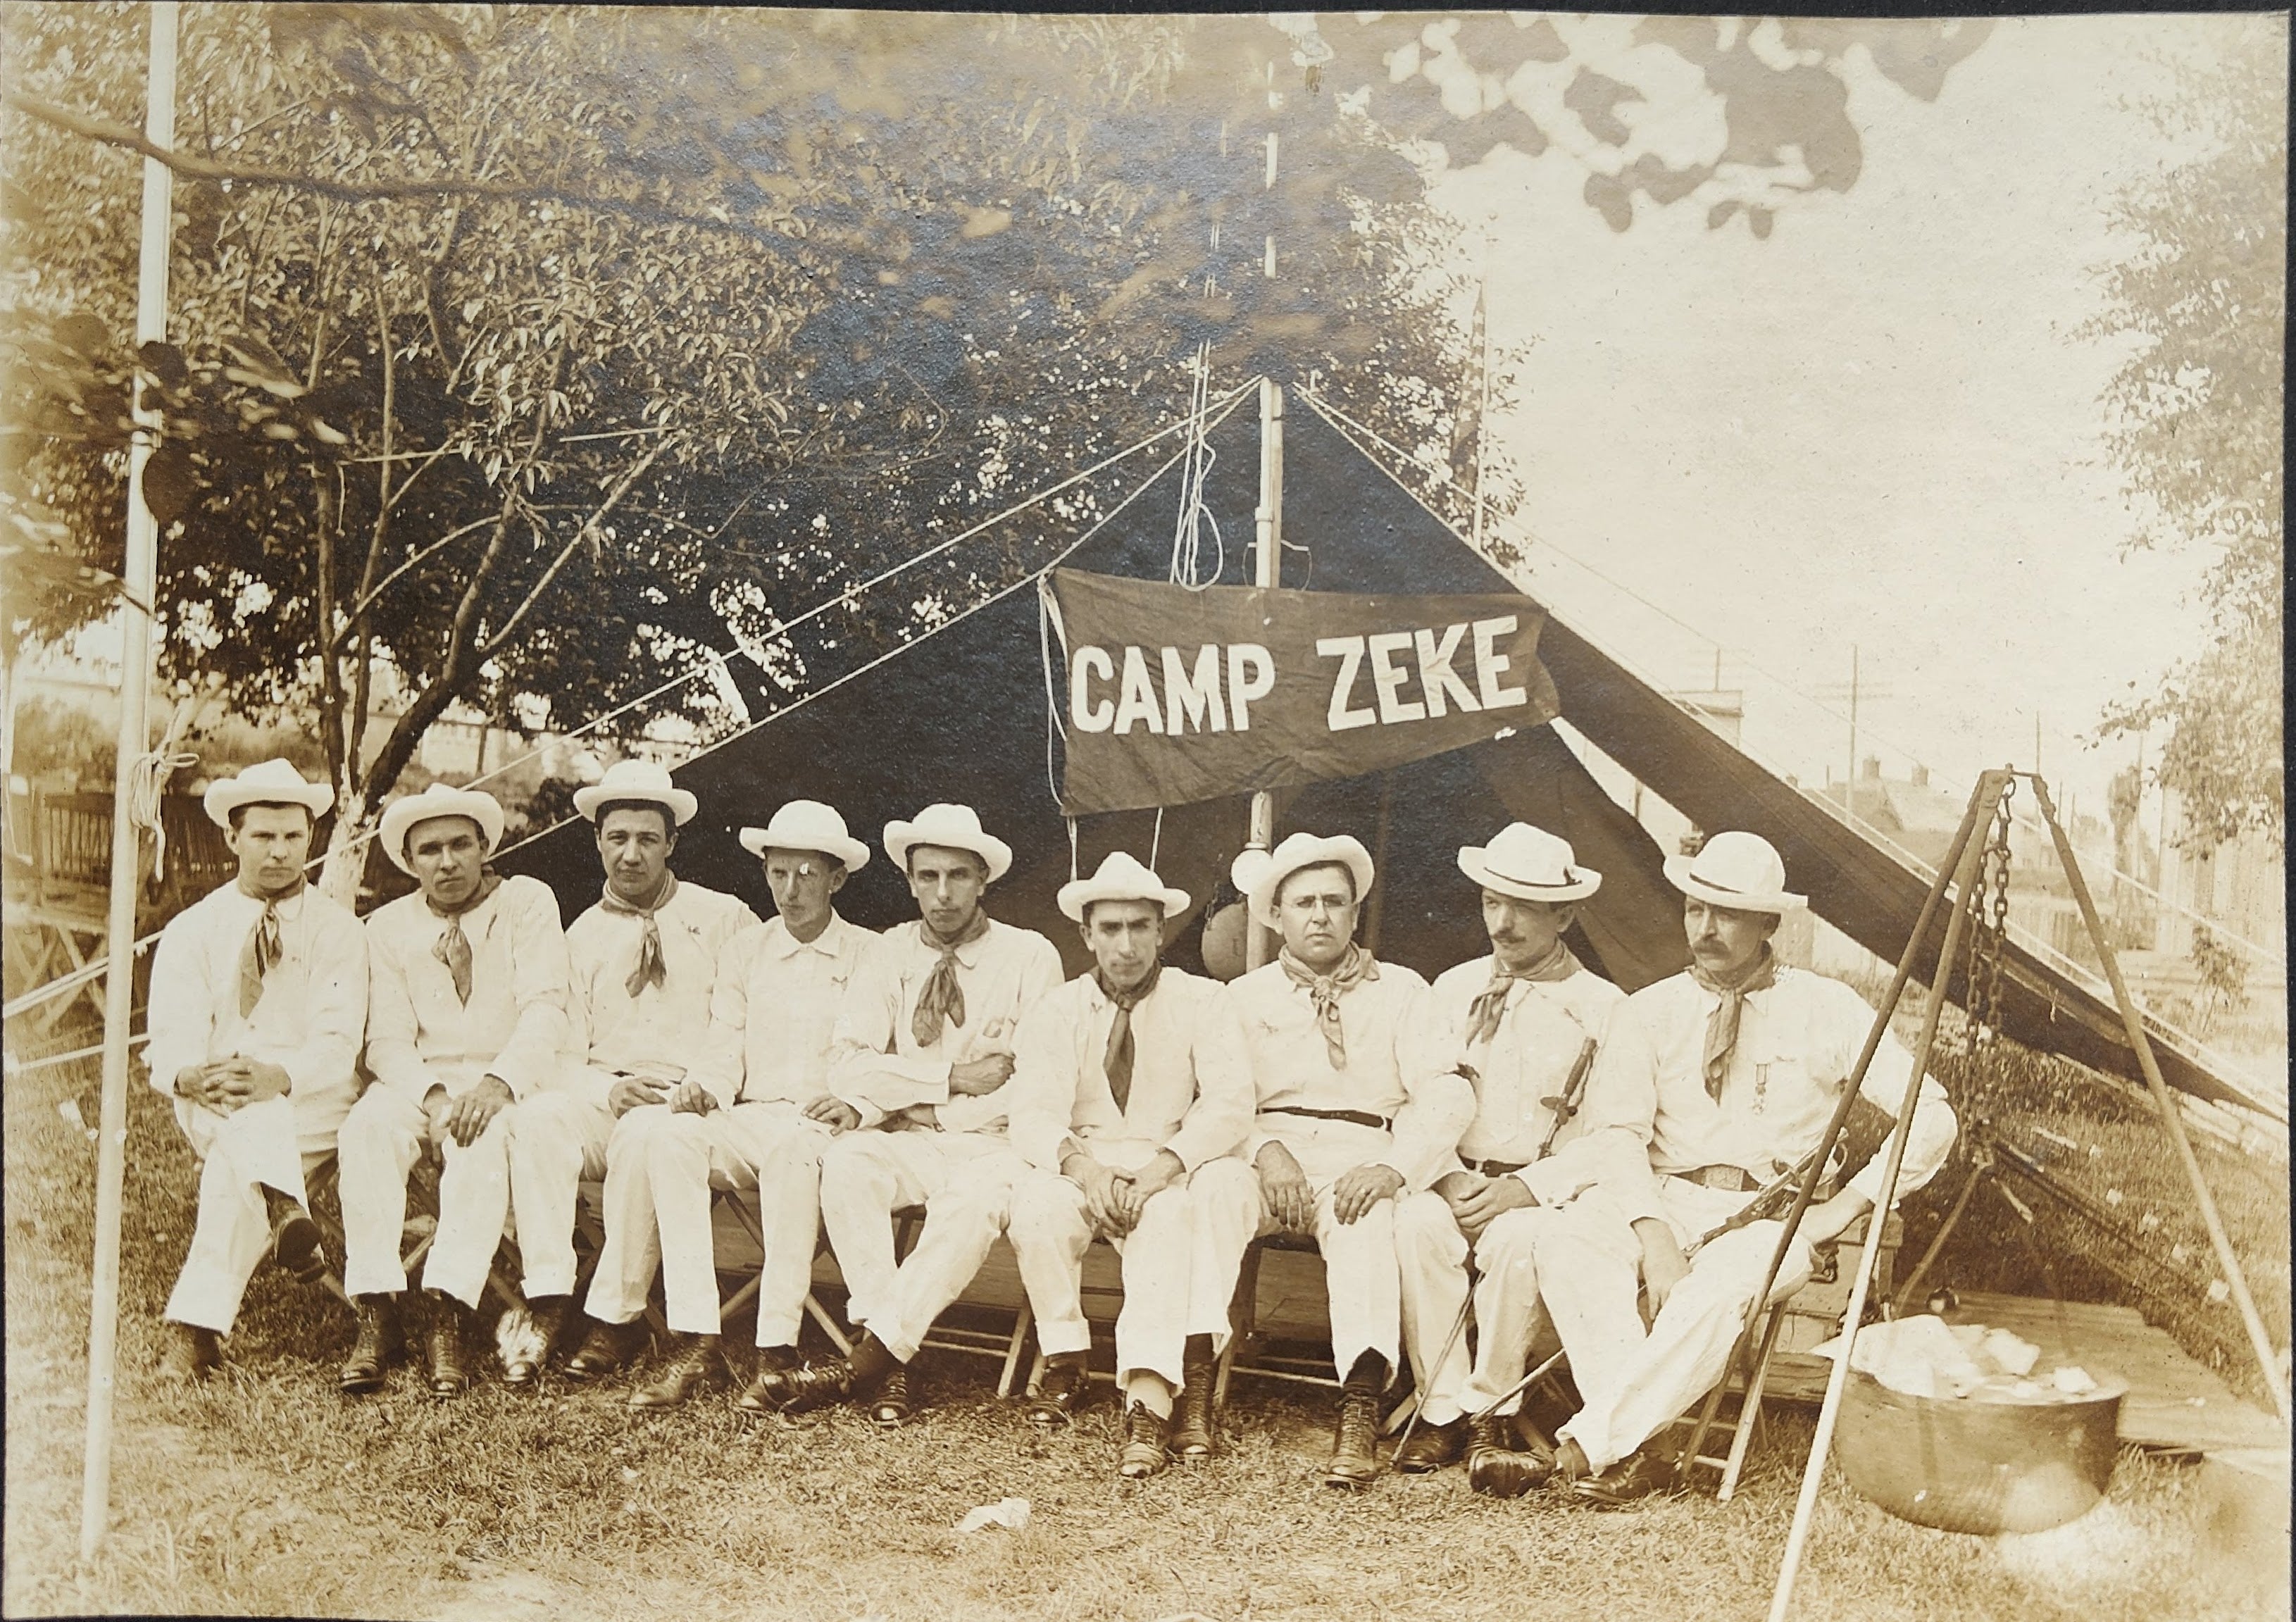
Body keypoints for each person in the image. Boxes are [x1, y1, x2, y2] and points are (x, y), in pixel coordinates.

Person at [1540, 830, 1957, 1505]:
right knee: (1561, 1240)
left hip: (1771, 1216)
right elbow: (1617, 1134)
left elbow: (1932, 1115)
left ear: (1770, 922)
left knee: (1727, 1287)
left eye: (1726, 913)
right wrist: (1655, 1243)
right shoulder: (1649, 1011)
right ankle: (1642, 1447)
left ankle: (1583, 1448)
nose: (1705, 928)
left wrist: (1845, 1206)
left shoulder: (1828, 1008)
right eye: (1695, 908)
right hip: (1660, 1198)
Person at [749, 802, 1062, 1425]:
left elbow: (1038, 1077)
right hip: (913, 1136)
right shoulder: (889, 952)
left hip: (994, 1145)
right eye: (927, 877)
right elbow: (848, 1064)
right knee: (845, 1161)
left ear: (983, 880)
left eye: (957, 877)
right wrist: (949, 1081)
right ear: (910, 879)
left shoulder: (1030, 956)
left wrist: (917, 1098)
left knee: (965, 1209)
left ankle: (878, 1361)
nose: (942, 894)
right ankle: (892, 1356)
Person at [574, 799, 875, 1409]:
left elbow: (872, 1049)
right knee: (666, 1136)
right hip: (751, 1113)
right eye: (778, 873)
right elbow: (724, 1039)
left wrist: (857, 1100)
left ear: (837, 878)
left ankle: (776, 1348)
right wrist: (702, 1086)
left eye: (807, 874)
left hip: (827, 1122)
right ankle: (697, 1339)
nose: (790, 891)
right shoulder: (747, 949)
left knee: (795, 1151)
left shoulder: (871, 953)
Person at [1390, 823, 1639, 1495]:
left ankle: (1490, 1411)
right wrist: (1441, 1176)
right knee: (1413, 1223)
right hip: (1454, 1178)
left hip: (1539, 1194)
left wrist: (1526, 1187)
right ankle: (1441, 1405)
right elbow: (1416, 1098)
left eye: (1524, 905)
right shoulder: (1449, 989)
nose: (1503, 921)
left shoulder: (1605, 1009)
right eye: (1492, 901)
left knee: (1519, 1241)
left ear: (1565, 913)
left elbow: (1617, 1134)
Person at [1226, 831, 1473, 1488]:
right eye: (1302, 902)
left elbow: (1447, 1089)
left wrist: (1396, 1166)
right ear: (1274, 915)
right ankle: (1188, 1384)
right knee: (1210, 1192)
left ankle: (1359, 1404)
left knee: (1365, 1214)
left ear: (1356, 912)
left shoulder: (1402, 990)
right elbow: (1219, 1099)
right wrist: (1265, 1149)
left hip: (1365, 1149)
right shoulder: (1243, 997)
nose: (1319, 916)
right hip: (1267, 1151)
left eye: (1335, 901)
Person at [1002, 851, 1260, 1478]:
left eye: (1139, 927)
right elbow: (1033, 1112)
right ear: (1086, 934)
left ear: (1161, 930)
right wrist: (1085, 1171)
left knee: (1168, 1223)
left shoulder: (1205, 1000)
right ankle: (1065, 1356)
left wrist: (1162, 1167)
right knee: (1035, 1209)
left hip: (1163, 1165)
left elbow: (1231, 1102)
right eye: (1110, 928)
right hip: (1083, 1162)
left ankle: (1148, 1400)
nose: (1125, 944)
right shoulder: (1057, 1009)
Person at [512, 759, 756, 1388]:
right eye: (617, 838)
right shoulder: (581, 934)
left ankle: (615, 1318)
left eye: (648, 838)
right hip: (607, 1091)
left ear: (672, 843)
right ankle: (547, 1298)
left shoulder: (724, 917)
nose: (631, 854)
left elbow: (747, 1017)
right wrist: (606, 1090)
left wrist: (704, 1083)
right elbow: (561, 1049)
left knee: (647, 1135)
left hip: (693, 1098)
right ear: (597, 840)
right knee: (537, 1119)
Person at [337, 782, 570, 1397]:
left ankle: (449, 1311)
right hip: (423, 1080)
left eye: (460, 845)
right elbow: (385, 1040)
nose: (447, 861)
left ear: (484, 845)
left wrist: (498, 1083)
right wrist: (433, 1096)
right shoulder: (387, 927)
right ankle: (376, 1309)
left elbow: (547, 1008)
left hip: (509, 1077)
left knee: (478, 1136)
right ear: (411, 861)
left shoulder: (527, 902)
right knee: (366, 1128)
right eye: (430, 850)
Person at [144, 760, 366, 1379]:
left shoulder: (339, 930)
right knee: (246, 1123)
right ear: (232, 837)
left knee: (237, 1156)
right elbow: (170, 1035)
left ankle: (195, 1332)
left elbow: (339, 1039)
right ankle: (283, 1204)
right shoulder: (193, 929)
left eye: (293, 836)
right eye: (264, 836)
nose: (280, 850)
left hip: (312, 1100)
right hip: (213, 1096)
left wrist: (278, 1076)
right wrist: (189, 1076)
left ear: (311, 838)